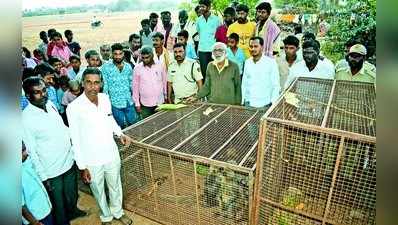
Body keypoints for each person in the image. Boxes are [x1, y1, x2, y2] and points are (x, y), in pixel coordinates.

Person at [66, 67, 133, 225]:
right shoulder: (74, 108)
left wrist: (120, 134)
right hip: (92, 159)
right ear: (82, 83)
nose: (92, 87)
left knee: (115, 185)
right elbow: (74, 138)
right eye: (88, 82)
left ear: (101, 84)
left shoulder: (104, 98)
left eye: (96, 83)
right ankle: (106, 216)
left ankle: (117, 212)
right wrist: (82, 167)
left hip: (110, 153)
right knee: (98, 190)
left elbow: (110, 119)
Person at [22, 77, 86, 225]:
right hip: (51, 170)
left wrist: (77, 136)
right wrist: (44, 178)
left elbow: (62, 128)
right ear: (28, 96)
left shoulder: (50, 104)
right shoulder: (26, 119)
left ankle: (73, 211)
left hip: (68, 161)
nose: (43, 94)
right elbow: (32, 152)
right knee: (58, 205)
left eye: (44, 90)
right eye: (37, 92)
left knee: (71, 194)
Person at [101, 43, 138, 128]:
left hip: (129, 101)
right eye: (115, 54)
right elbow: (105, 87)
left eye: (120, 54)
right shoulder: (106, 67)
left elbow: (132, 84)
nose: (118, 56)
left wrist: (136, 100)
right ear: (111, 54)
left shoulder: (128, 67)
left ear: (123, 54)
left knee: (134, 124)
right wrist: (107, 105)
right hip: (115, 103)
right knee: (120, 127)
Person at [242, 36, 280, 108]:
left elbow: (276, 85)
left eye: (256, 46)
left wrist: (272, 102)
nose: (253, 49)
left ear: (262, 47)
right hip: (249, 103)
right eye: (251, 46)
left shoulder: (271, 63)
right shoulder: (247, 62)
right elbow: (244, 83)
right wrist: (243, 100)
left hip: (265, 104)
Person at [22, 141, 54, 225]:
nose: (26, 153)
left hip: (45, 209)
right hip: (36, 218)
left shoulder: (26, 162)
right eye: (22, 151)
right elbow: (21, 207)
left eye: (24, 149)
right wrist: (35, 223)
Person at [133, 46, 167, 119]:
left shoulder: (160, 65)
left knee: (161, 123)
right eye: (143, 58)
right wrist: (137, 103)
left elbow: (164, 82)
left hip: (160, 102)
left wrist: (166, 96)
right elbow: (135, 88)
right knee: (148, 126)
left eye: (147, 57)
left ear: (152, 55)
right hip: (145, 104)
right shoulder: (137, 68)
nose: (145, 60)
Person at [196, 0, 222, 79]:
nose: (201, 8)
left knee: (214, 72)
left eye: (203, 6)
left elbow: (219, 35)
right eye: (200, 6)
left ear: (209, 7)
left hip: (213, 50)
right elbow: (199, 33)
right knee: (204, 73)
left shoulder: (216, 20)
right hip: (202, 50)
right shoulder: (198, 20)